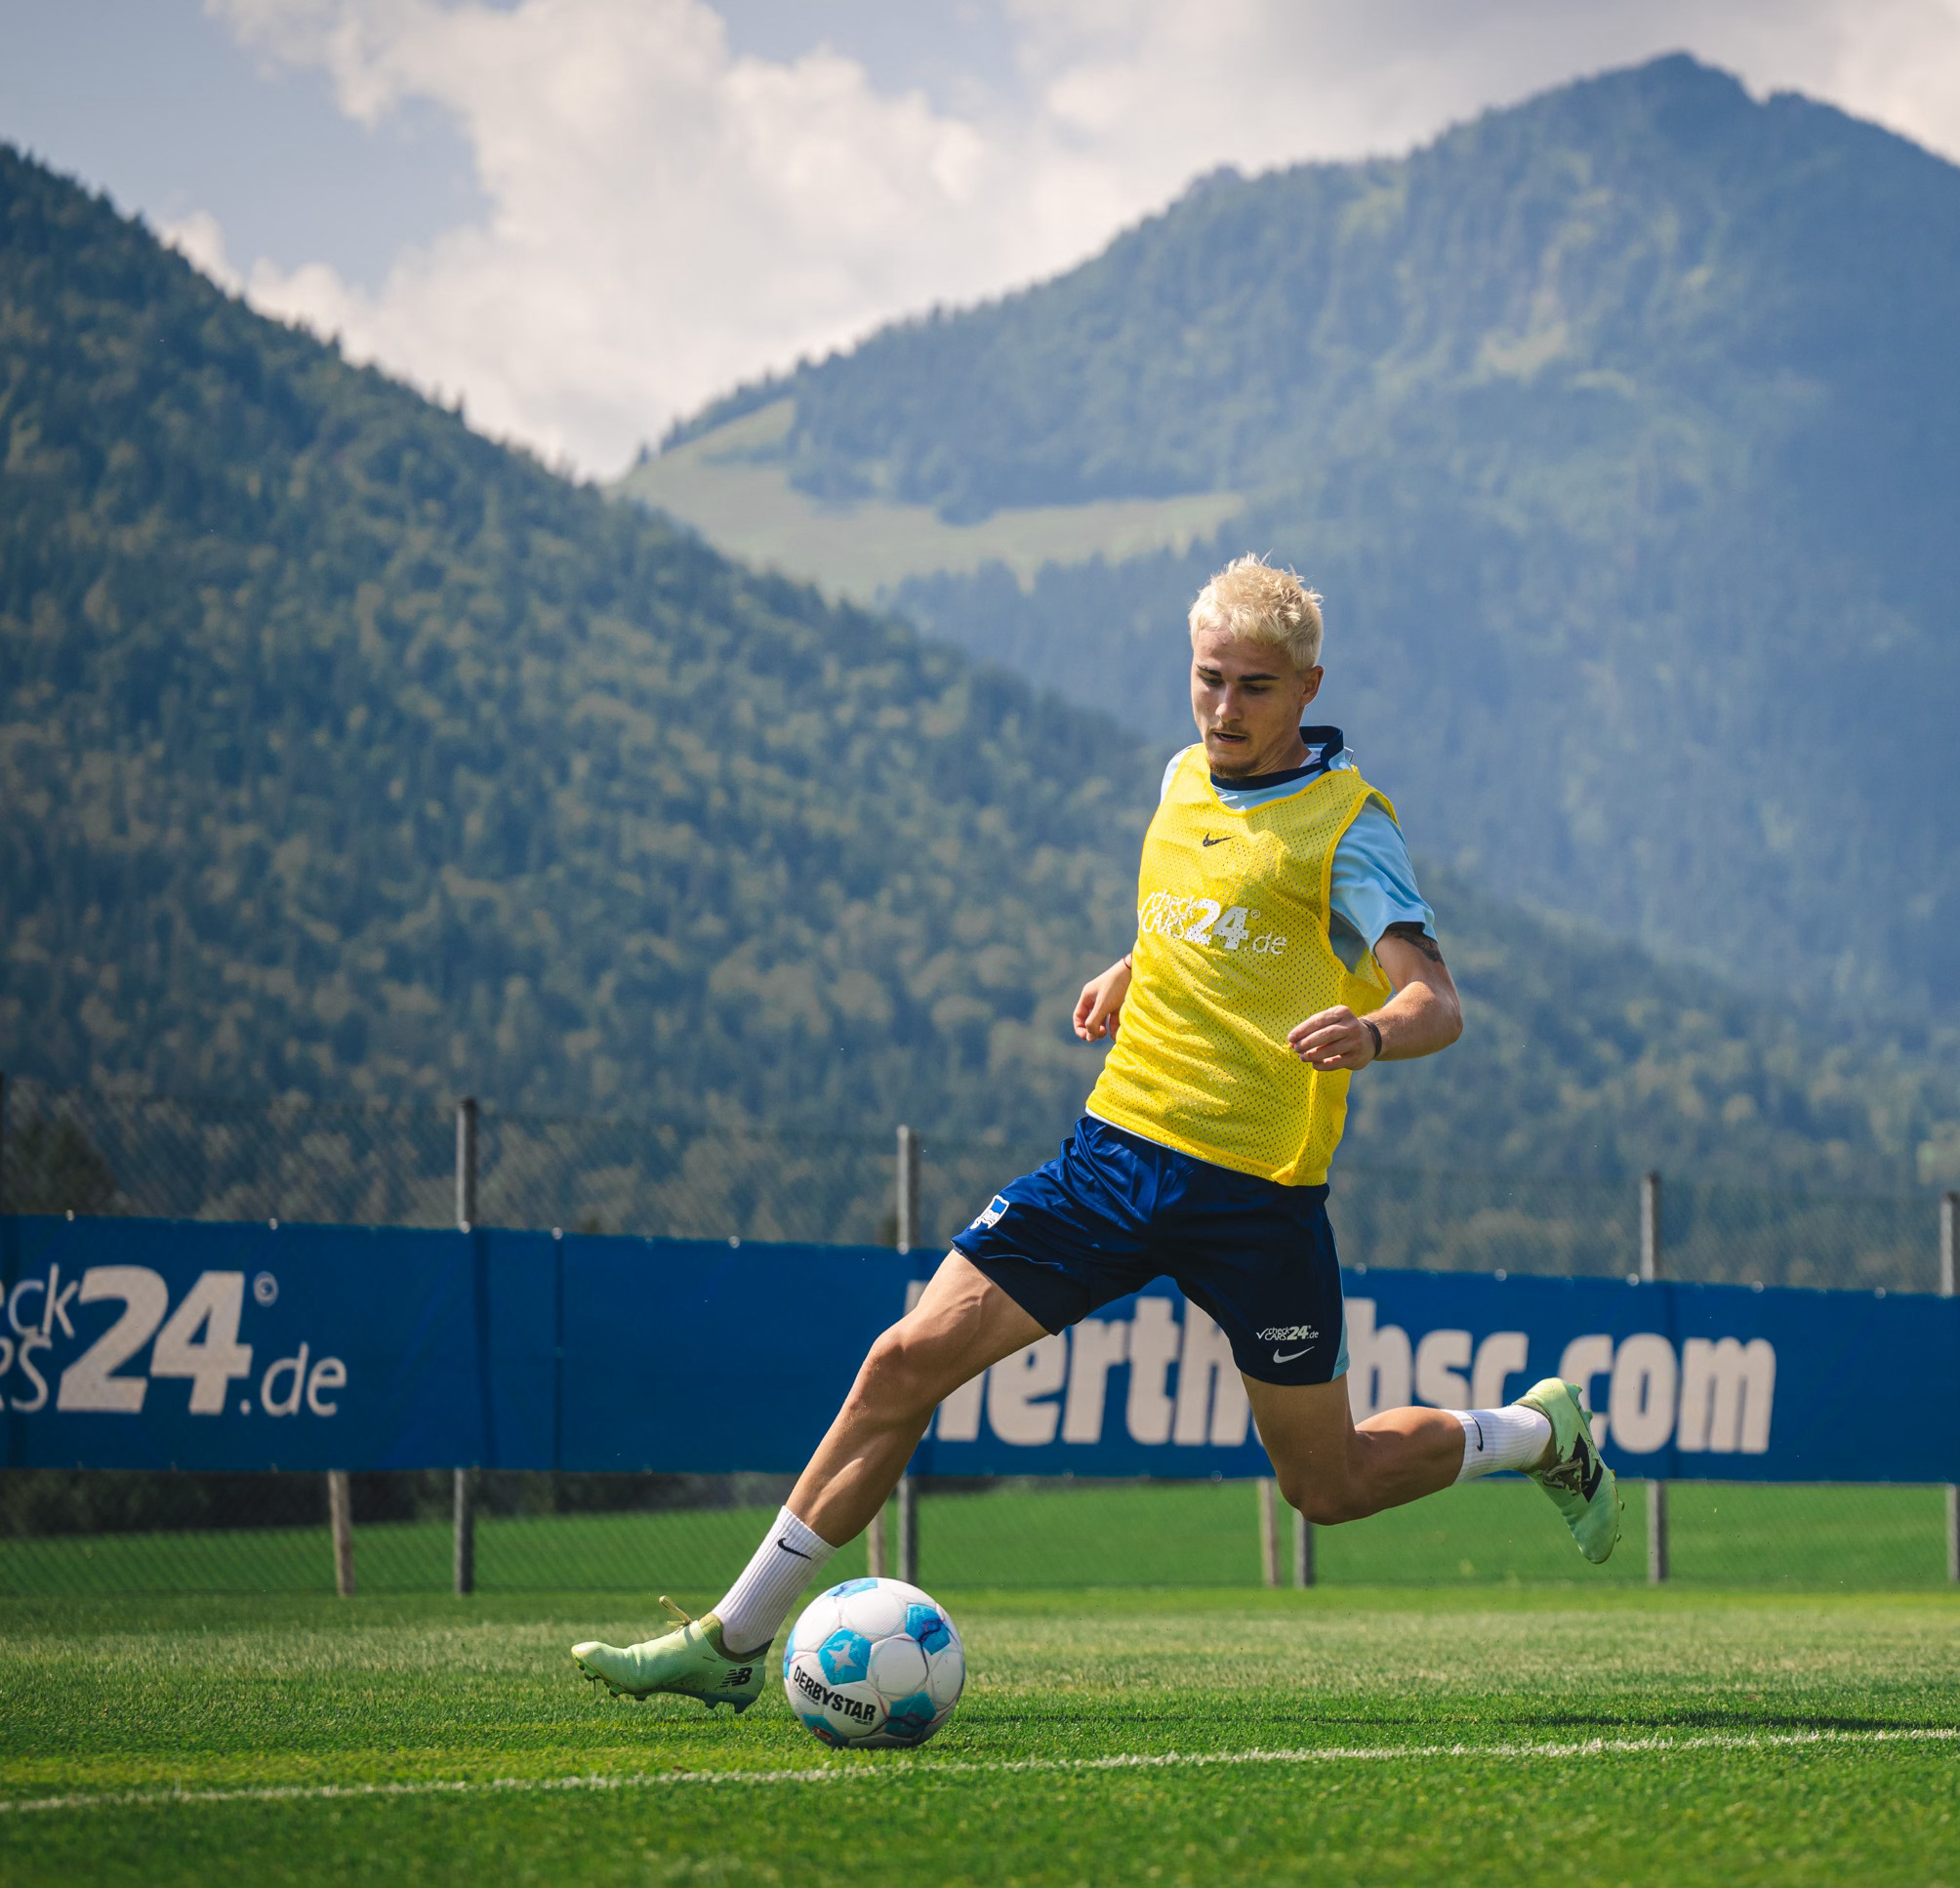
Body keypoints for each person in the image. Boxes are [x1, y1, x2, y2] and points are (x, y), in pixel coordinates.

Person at [572, 555, 1621, 1712]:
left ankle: (1535, 1433)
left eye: (1256, 688)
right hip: (1115, 1154)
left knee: (1329, 1484)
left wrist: (1372, 1032)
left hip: (1254, 1199)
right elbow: (1214, 913)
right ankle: (732, 1640)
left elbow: (1438, 1002)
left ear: (1309, 686)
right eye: (1209, 679)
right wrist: (1137, 966)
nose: (1225, 709)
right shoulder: (1182, 778)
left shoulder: (1349, 829)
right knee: (903, 1358)